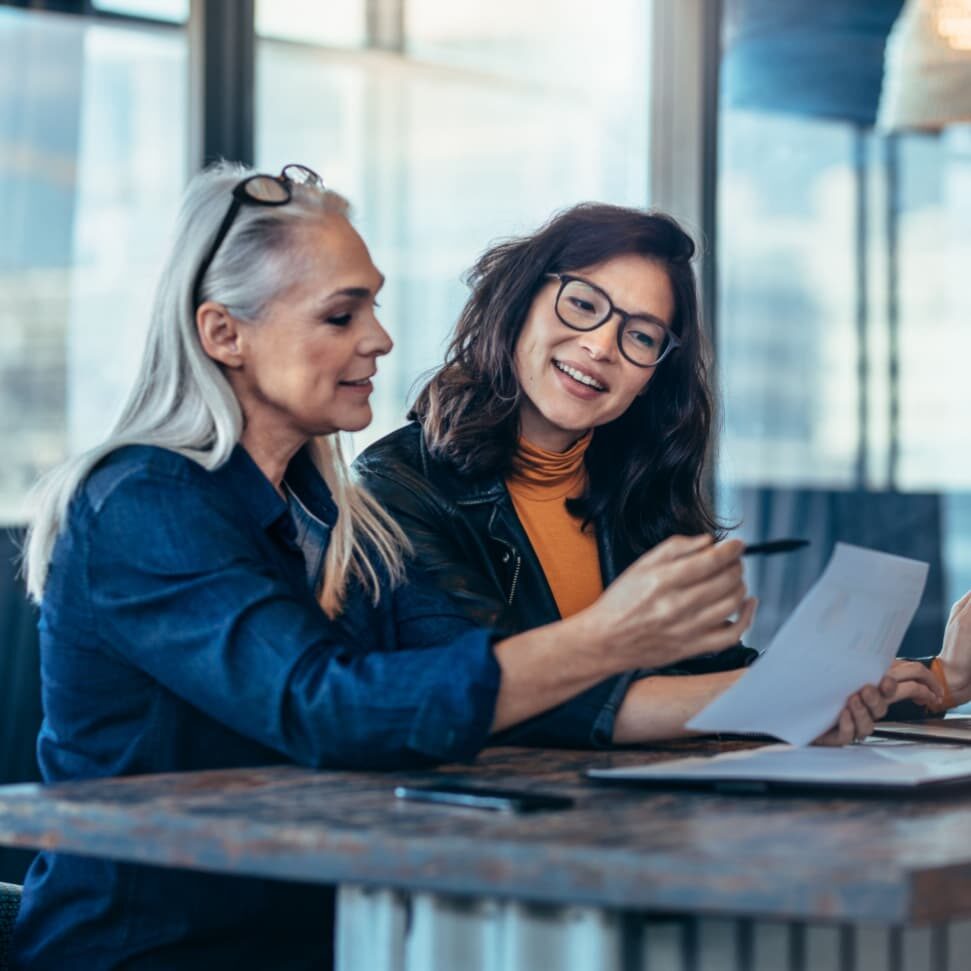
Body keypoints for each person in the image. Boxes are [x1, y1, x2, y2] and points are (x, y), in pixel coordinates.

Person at [11, 163, 770, 971]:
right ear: (223, 333)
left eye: (371, 305)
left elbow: (467, 678)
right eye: (342, 314)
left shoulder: (337, 517)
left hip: (326, 937)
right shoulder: (143, 502)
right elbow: (326, 707)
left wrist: (790, 699)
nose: (379, 337)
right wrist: (611, 636)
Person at [355, 203, 949, 744]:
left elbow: (705, 673)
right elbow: (497, 695)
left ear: (653, 375)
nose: (600, 346)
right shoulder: (397, 485)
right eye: (584, 304)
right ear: (518, 303)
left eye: (640, 335)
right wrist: (778, 701)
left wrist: (927, 680)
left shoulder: (635, 486)